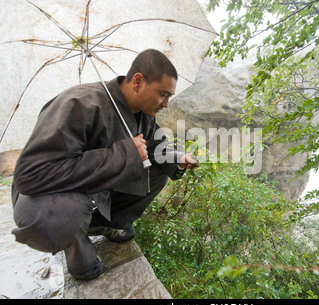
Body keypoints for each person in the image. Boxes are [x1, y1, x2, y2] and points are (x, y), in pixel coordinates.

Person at [11, 49, 197, 280]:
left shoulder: (144, 114)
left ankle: (107, 223)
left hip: (92, 187)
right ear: (138, 81)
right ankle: (79, 252)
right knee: (69, 211)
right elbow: (31, 175)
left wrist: (177, 159)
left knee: (158, 171)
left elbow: (157, 147)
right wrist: (124, 154)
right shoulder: (77, 104)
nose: (167, 104)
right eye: (163, 94)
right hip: (44, 198)